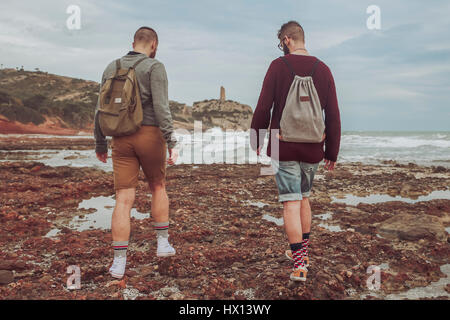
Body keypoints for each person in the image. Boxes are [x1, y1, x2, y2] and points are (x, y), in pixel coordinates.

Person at [250, 21, 341, 282]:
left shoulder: (278, 67)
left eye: (281, 43)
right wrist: (331, 151)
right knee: (304, 198)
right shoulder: (323, 70)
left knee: (290, 202)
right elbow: (333, 114)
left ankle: (299, 264)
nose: (281, 48)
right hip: (314, 146)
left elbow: (264, 105)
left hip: (283, 144)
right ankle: (305, 252)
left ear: (288, 39)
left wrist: (256, 136)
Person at [94, 26, 179, 279]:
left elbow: (100, 108)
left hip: (120, 138)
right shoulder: (155, 67)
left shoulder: (112, 67)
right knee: (158, 187)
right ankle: (162, 244)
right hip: (150, 134)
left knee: (123, 199)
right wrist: (171, 140)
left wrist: (100, 143)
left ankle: (118, 263)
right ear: (154, 44)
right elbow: (162, 107)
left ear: (133, 42)